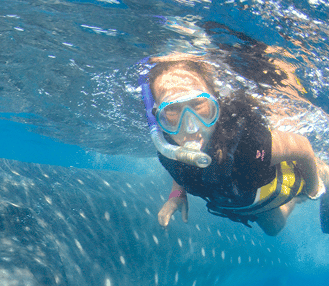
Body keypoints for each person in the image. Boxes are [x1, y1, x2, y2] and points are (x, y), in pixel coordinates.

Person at [140, 56, 329, 235]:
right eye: (172, 109)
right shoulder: (167, 148)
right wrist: (177, 193)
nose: (190, 126)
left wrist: (313, 190)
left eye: (198, 104)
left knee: (313, 182)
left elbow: (302, 147)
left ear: (217, 103)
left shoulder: (249, 144)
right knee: (274, 229)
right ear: (159, 116)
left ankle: (324, 171)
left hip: (273, 179)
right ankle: (296, 199)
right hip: (248, 199)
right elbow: (180, 165)